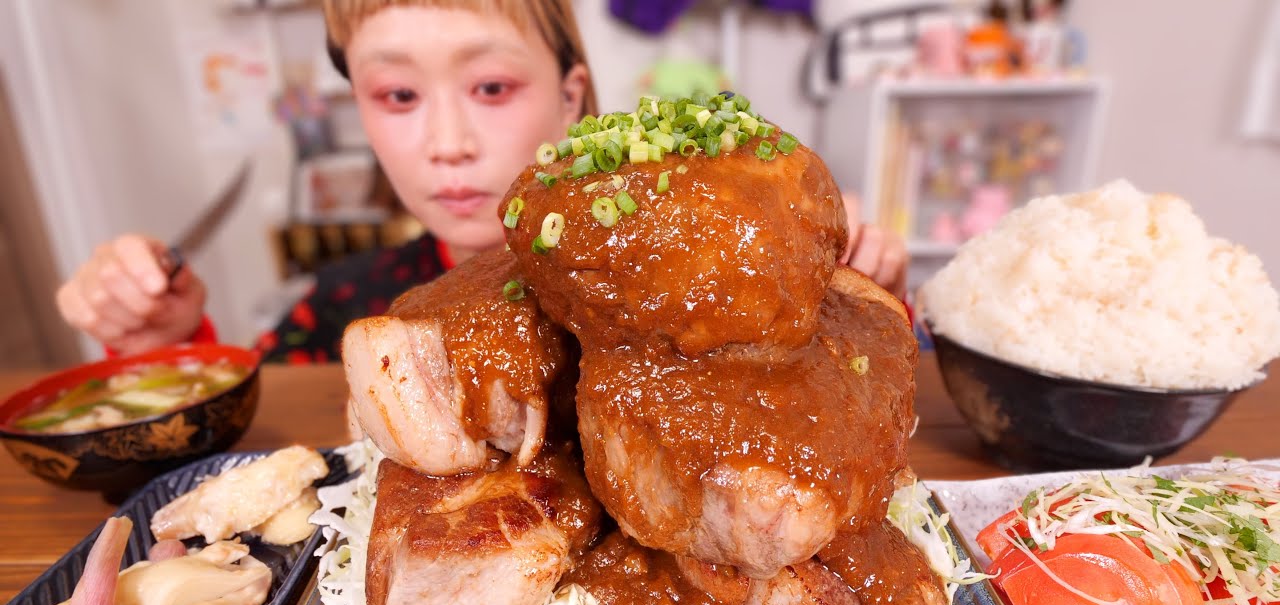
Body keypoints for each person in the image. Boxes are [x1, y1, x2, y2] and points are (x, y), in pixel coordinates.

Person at [55, 0, 907, 364]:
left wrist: (858, 293)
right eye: (398, 96)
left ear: (571, 99)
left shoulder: (668, 287)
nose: (448, 143)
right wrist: (165, 339)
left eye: (492, 87)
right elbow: (258, 436)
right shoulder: (347, 306)